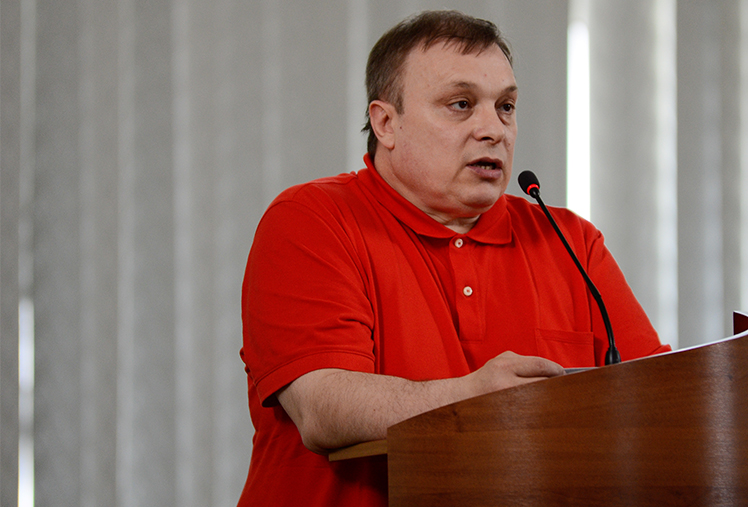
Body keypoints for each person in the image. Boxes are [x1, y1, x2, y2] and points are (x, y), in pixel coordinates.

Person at [237, 10, 670, 507]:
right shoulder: (311, 219)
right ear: (386, 123)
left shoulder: (570, 240)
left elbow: (663, 401)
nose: (494, 130)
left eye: (505, 107)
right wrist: (475, 398)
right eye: (461, 104)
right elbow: (323, 409)